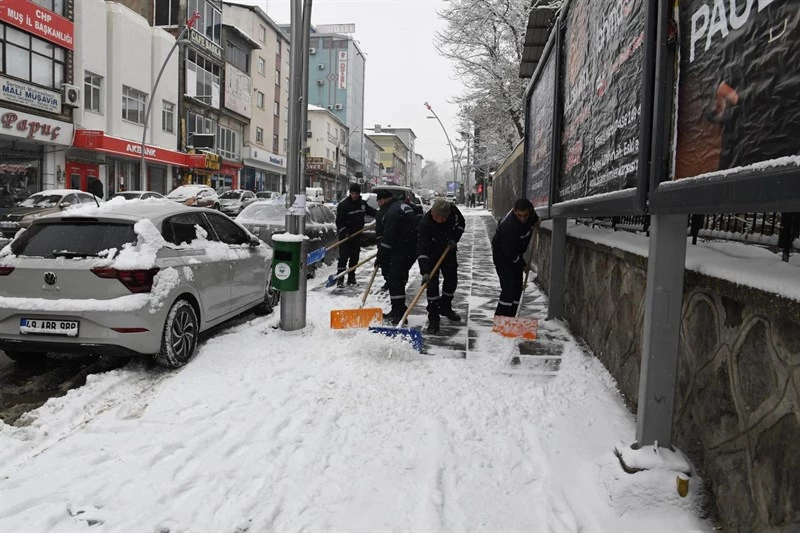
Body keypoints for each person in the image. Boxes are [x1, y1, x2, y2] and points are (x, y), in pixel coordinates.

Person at [417, 198, 466, 334]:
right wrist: (425, 271)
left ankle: (445, 306)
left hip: (447, 251)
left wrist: (454, 239)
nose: (440, 220)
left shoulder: (453, 212)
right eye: (437, 217)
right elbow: (422, 249)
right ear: (432, 212)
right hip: (431, 255)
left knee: (451, 280)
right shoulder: (425, 224)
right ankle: (433, 318)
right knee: (432, 286)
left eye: (443, 217)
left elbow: (461, 224)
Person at [375, 189, 418, 324]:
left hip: (402, 248)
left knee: (394, 279)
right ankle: (400, 308)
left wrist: (380, 256)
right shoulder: (403, 205)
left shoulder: (392, 212)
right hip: (411, 247)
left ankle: (397, 312)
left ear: (382, 200)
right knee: (399, 278)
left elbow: (388, 237)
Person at [491, 198, 539, 317]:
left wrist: (536, 221)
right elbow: (510, 254)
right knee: (508, 288)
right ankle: (501, 319)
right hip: (502, 255)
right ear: (514, 212)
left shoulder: (531, 214)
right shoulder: (508, 227)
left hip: (516, 252)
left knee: (518, 287)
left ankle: (512, 317)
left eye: (525, 215)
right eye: (519, 216)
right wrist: (523, 265)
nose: (523, 218)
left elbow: (534, 218)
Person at [334, 183, 376, 287]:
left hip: (356, 236)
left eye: (356, 194)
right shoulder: (343, 205)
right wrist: (345, 232)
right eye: (352, 193)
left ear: (359, 193)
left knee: (354, 258)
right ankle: (340, 278)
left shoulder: (362, 204)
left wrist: (381, 214)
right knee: (343, 258)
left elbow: (371, 211)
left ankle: (351, 277)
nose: (354, 196)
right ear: (350, 193)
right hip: (345, 236)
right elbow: (339, 221)